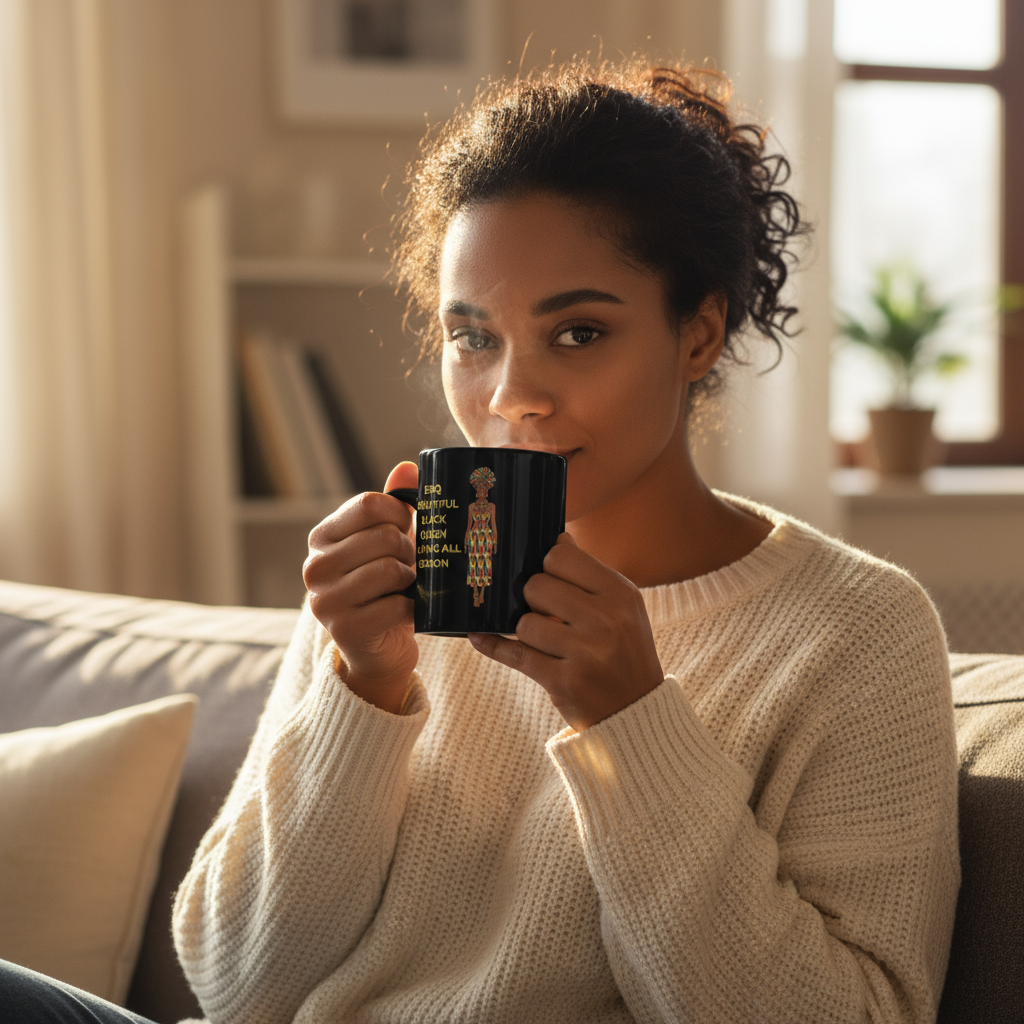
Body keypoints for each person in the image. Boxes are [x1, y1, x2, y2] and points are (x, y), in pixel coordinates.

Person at [0, 59, 958, 1024]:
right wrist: (363, 690)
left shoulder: (855, 632)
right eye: (473, 337)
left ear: (699, 335)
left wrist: (632, 721)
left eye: (577, 333)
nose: (509, 397)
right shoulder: (401, 582)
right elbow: (236, 985)